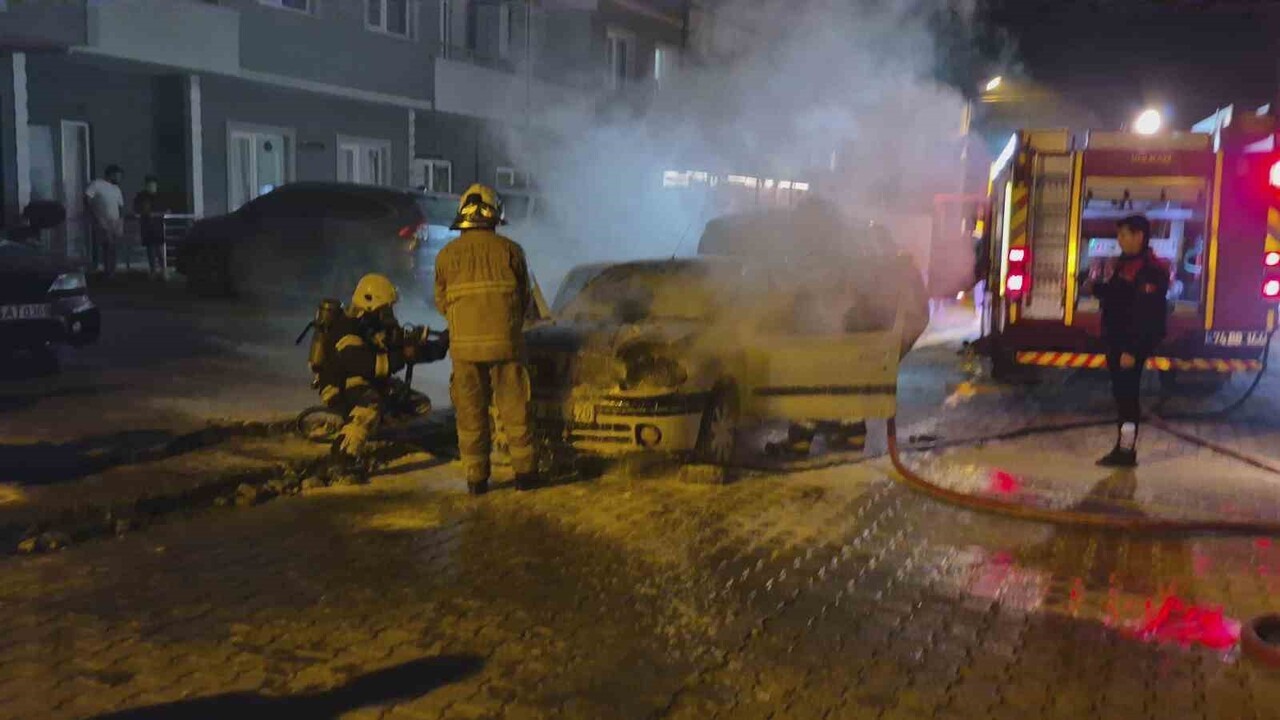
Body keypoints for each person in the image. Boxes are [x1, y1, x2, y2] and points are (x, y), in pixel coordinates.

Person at [434, 183, 538, 496]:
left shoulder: (446, 255)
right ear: (495, 213)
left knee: (470, 413)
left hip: (464, 349)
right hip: (506, 344)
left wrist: (465, 324)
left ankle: (477, 479)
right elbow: (525, 298)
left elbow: (441, 302)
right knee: (515, 409)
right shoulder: (511, 251)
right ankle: (525, 475)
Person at [313, 274, 433, 485]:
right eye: (385, 308)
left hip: (364, 382)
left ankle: (368, 427)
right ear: (370, 304)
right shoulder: (346, 328)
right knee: (370, 404)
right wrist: (403, 355)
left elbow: (399, 350)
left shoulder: (370, 326)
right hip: (339, 386)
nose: (389, 313)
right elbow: (367, 365)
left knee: (418, 404)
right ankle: (342, 458)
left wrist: (436, 345)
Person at [1081, 214, 1169, 467]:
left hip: (1130, 346)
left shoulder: (1149, 271)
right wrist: (1093, 288)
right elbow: (1118, 295)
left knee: (1128, 398)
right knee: (1121, 396)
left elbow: (1146, 315)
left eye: (1123, 235)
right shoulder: (1127, 264)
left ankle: (1126, 451)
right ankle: (1123, 447)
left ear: (1138, 236)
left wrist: (1132, 349)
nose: (1119, 240)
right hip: (1118, 342)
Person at [85, 165, 125, 277]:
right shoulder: (97, 184)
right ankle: (107, 270)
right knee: (107, 244)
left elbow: (120, 206)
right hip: (102, 220)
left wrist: (120, 221)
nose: (119, 178)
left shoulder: (116, 189)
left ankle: (112, 270)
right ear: (111, 174)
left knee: (114, 246)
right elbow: (87, 198)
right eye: (117, 176)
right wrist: (93, 215)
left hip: (115, 221)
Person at [132, 175, 166, 278]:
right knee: (150, 249)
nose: (151, 186)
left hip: (158, 226)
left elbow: (166, 209)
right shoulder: (141, 196)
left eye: (153, 184)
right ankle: (153, 270)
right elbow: (136, 209)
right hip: (147, 226)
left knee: (159, 250)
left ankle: (163, 269)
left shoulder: (160, 196)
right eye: (149, 184)